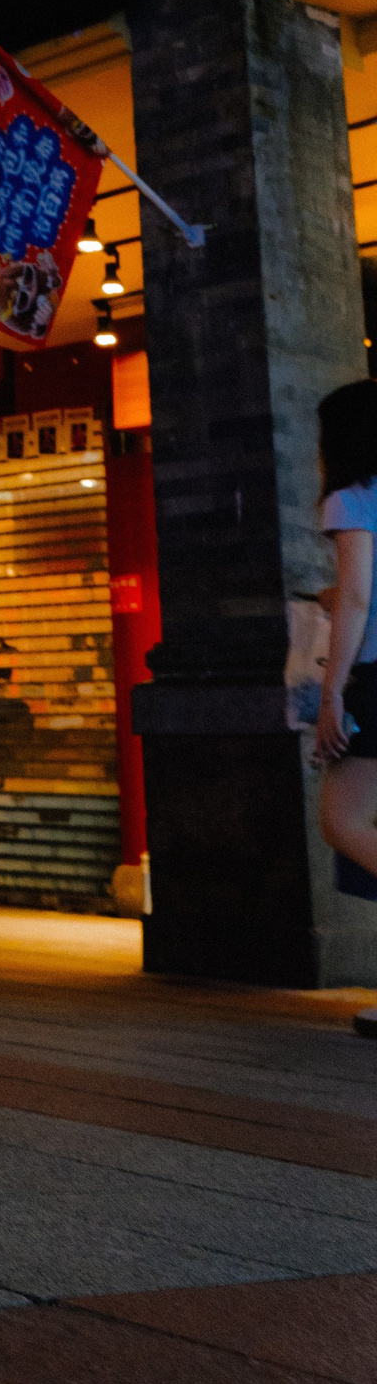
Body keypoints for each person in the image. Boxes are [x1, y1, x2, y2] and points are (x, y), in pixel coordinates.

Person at [315, 378, 377, 1036]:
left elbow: (359, 597)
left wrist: (332, 690)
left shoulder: (352, 496)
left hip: (376, 677)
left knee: (343, 820)